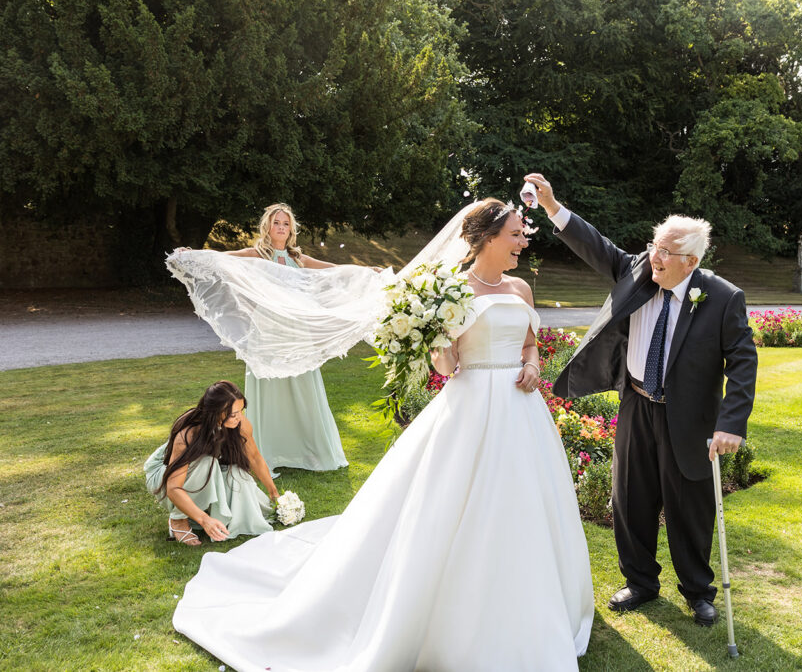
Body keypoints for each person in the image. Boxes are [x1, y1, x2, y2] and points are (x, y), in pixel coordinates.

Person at [170, 198, 594, 670]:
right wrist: (432, 335)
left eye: (522, 234)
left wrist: (533, 365)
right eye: (516, 234)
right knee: (454, 504)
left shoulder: (520, 288)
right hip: (471, 405)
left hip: (522, 411)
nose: (523, 241)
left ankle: (532, 598)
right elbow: (448, 366)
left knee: (528, 501)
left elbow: (531, 342)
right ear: (488, 238)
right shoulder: (449, 290)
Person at [524, 172, 757, 627]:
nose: (656, 256)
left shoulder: (722, 297)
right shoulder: (637, 270)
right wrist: (553, 207)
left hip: (688, 416)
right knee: (630, 497)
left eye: (666, 252)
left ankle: (697, 590)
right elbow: (596, 245)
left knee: (690, 504)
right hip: (636, 403)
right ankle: (640, 583)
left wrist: (731, 422)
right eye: (655, 245)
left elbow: (743, 363)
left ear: (689, 262)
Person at [221, 203, 349, 476]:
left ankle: (307, 450)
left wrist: (365, 272)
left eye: (285, 223)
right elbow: (223, 258)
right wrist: (192, 254)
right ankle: (267, 452)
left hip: (295, 331)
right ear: (267, 226)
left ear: (291, 229)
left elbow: (333, 270)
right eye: (276, 222)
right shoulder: (257, 254)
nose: (281, 227)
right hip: (266, 330)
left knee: (303, 387)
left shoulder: (297, 257)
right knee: (268, 389)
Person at [144, 381, 280, 546]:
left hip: (201, 469)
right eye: (233, 414)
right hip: (164, 475)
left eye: (241, 410)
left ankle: (206, 510)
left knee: (235, 473)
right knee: (208, 463)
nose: (239, 417)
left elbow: (255, 458)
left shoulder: (240, 423)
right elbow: (174, 488)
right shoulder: (189, 433)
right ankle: (178, 520)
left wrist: (274, 494)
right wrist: (204, 520)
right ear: (215, 413)